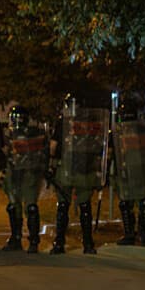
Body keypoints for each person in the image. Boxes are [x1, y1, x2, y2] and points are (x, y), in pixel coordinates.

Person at [47, 93, 106, 255]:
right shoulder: (90, 123)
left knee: (63, 207)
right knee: (85, 206)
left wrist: (51, 167)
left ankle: (59, 243)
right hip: (85, 169)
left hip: (66, 168)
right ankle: (88, 244)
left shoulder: (63, 123)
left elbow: (53, 146)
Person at [111, 99, 145, 246]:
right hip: (131, 172)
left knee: (138, 202)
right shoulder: (125, 131)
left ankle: (139, 234)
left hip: (136, 171)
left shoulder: (130, 132)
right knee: (131, 203)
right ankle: (136, 235)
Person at [2, 106, 46, 253]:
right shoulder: (9, 134)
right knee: (14, 206)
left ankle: (32, 240)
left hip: (28, 173)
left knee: (30, 207)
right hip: (15, 173)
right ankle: (16, 238)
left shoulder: (34, 134)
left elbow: (43, 153)